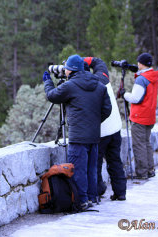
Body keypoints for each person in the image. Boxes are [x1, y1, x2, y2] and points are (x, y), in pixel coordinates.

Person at [43, 54, 112, 210]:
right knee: (92, 168)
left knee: (78, 169)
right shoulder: (99, 85)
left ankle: (81, 201)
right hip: (94, 135)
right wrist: (93, 122)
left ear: (70, 69)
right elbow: (107, 109)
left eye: (66, 68)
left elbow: (52, 96)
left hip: (78, 135)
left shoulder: (70, 86)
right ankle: (92, 197)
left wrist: (47, 81)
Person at [84, 57, 127, 201]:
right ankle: (120, 193)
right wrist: (82, 59)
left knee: (95, 164)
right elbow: (99, 62)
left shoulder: (85, 86)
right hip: (115, 128)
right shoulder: (103, 76)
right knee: (115, 161)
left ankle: (96, 192)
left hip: (101, 131)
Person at [120, 52, 158, 180]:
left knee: (139, 145)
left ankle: (141, 172)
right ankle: (150, 169)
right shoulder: (152, 76)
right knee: (146, 143)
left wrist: (124, 94)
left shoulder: (141, 79)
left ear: (141, 63)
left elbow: (136, 98)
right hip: (149, 115)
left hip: (139, 116)